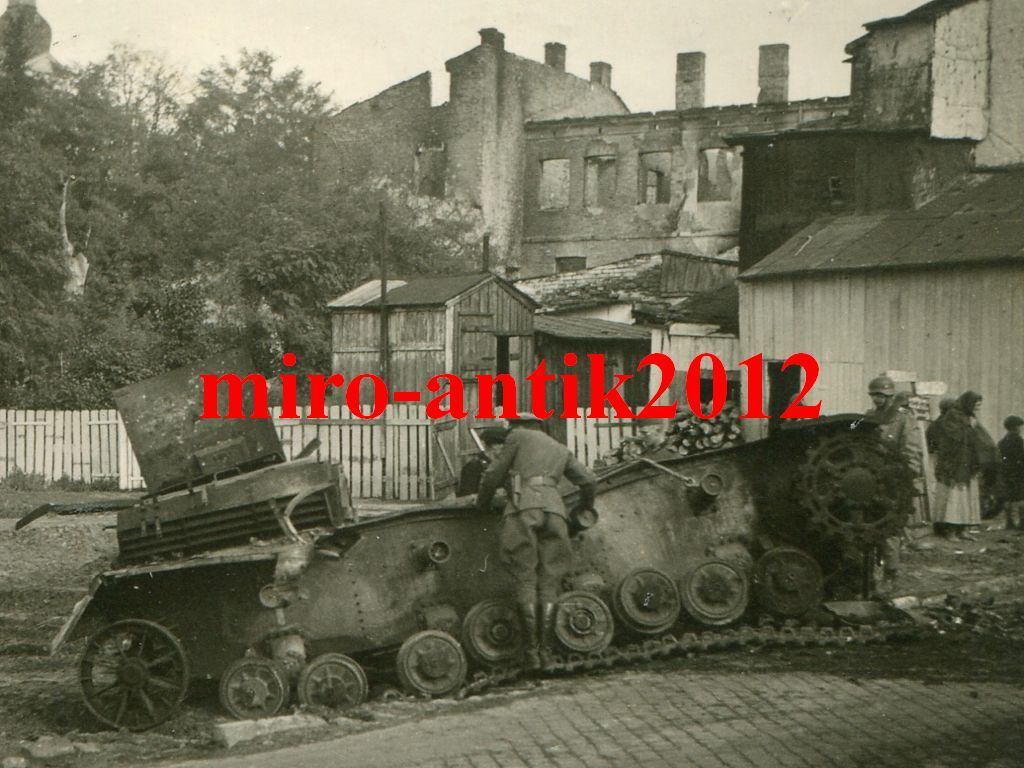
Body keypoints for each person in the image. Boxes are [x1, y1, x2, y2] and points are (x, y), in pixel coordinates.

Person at [476, 415, 597, 670]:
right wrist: (586, 507)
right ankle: (547, 653)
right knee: (549, 581)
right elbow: (589, 480)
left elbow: (493, 473)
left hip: (524, 509)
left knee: (525, 577)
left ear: (518, 426)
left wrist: (482, 504)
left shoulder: (517, 437)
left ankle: (531, 654)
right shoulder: (559, 448)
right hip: (555, 512)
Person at [864, 375, 923, 593]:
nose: (877, 399)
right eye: (874, 395)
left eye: (881, 395)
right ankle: (868, 575)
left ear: (889, 395)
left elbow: (911, 451)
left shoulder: (903, 419)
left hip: (893, 480)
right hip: (870, 480)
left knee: (889, 529)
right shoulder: (869, 416)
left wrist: (906, 477)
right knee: (867, 528)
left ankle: (890, 574)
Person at [930, 390, 986, 541]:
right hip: (953, 465)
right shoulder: (953, 416)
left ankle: (962, 529)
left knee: (965, 498)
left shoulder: (969, 417)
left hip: (966, 464)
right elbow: (952, 438)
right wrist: (970, 428)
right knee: (953, 498)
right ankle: (950, 531)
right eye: (975, 406)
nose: (977, 410)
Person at [456, 427, 507, 497]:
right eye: (506, 446)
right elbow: (465, 499)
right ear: (495, 446)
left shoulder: (502, 465)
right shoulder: (473, 467)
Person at [998, 415, 1024, 530]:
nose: (1020, 429)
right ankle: (1022, 522)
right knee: (1020, 498)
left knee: (1008, 498)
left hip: (1006, 472)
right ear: (1015, 427)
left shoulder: (1002, 441)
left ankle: (1009, 522)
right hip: (1018, 472)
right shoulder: (1019, 441)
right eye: (1019, 426)